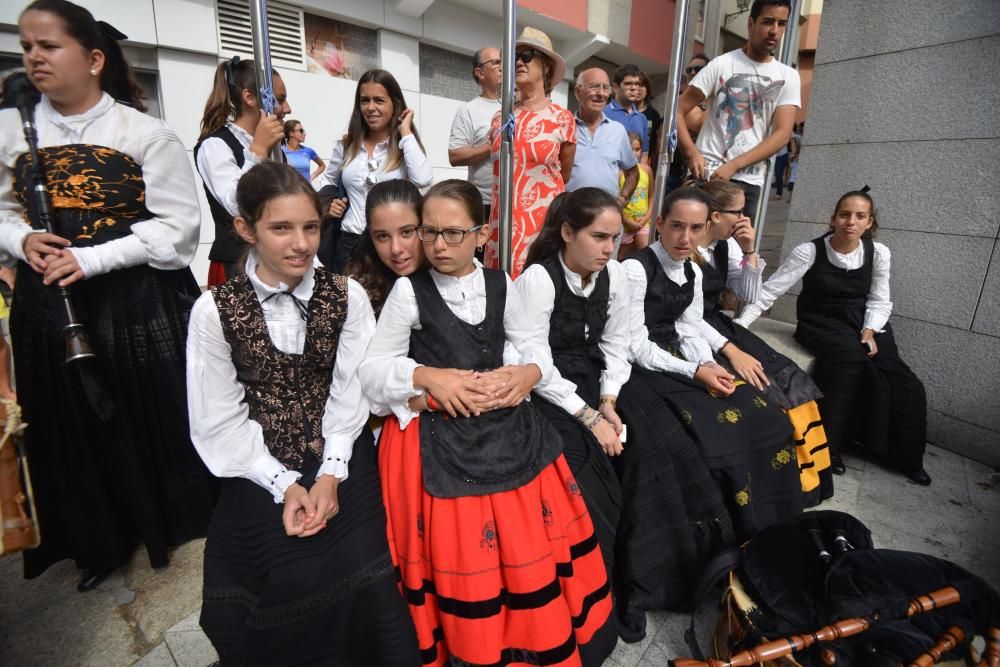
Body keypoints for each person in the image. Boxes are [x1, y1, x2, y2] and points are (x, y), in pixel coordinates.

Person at [0, 0, 215, 591]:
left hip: (135, 300)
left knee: (142, 409)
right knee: (67, 420)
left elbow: (177, 233)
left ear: (93, 59)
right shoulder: (9, 129)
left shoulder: (144, 133)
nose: (34, 57)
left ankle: (164, 520)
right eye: (27, 46)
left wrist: (90, 258)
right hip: (48, 300)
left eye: (49, 45)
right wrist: (21, 238)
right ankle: (95, 538)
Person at [361, 179, 616, 666]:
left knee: (529, 536)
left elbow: (531, 342)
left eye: (453, 233)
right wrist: (427, 376)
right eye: (429, 232)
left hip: (508, 424)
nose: (438, 245)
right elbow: (372, 372)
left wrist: (530, 371)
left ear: (481, 235)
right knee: (466, 548)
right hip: (440, 430)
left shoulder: (501, 284)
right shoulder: (408, 293)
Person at [186, 162, 420, 665]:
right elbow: (219, 419)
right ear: (245, 229)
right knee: (282, 568)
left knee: (364, 561)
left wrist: (332, 474)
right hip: (255, 459)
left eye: (311, 226)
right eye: (281, 228)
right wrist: (284, 484)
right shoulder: (214, 311)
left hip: (340, 443)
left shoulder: (346, 295)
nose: (301, 243)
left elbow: (349, 391)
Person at [518, 188, 733, 642]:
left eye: (614, 239)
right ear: (567, 232)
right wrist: (589, 417)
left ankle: (652, 580)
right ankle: (605, 589)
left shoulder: (616, 275)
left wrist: (610, 402)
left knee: (660, 449)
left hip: (600, 380)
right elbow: (533, 363)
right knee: (592, 474)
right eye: (597, 237)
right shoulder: (538, 279)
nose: (607, 249)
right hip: (550, 389)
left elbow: (617, 347)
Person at [623, 187, 803, 541]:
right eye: (676, 226)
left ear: (706, 228)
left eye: (695, 228)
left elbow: (688, 327)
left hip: (679, 357)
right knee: (713, 432)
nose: (684, 237)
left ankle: (768, 522)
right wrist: (695, 370)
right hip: (643, 364)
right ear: (659, 223)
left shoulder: (693, 270)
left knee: (766, 416)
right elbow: (633, 344)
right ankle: (725, 527)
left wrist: (709, 363)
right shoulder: (635, 268)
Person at [736, 189, 931, 486]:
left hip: (865, 322)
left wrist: (869, 330)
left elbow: (880, 300)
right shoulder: (810, 251)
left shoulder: (878, 253)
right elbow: (769, 292)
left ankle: (901, 455)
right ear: (833, 219)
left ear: (869, 222)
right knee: (848, 363)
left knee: (903, 380)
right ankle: (830, 449)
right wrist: (739, 327)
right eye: (844, 214)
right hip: (821, 322)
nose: (851, 222)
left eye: (859, 216)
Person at [695, 180, 832, 505]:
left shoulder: (724, 247)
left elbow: (751, 295)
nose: (744, 219)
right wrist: (732, 352)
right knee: (762, 391)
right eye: (738, 212)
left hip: (720, 325)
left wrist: (750, 251)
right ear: (714, 216)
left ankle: (808, 477)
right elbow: (683, 315)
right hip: (697, 333)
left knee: (791, 376)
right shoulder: (686, 250)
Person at [676, 0, 800, 224]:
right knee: (691, 249)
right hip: (707, 175)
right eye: (768, 22)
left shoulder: (788, 76)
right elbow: (678, 110)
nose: (774, 31)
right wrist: (692, 152)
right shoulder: (721, 64)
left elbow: (782, 134)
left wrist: (735, 165)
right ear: (751, 23)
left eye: (781, 24)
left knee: (736, 255)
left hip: (748, 181)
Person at [317, 69, 432, 274]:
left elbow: (423, 179)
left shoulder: (404, 146)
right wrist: (329, 203)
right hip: (348, 241)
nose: (370, 108)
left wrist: (405, 131)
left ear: (394, 104)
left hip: (390, 243)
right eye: (364, 101)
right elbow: (326, 181)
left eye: (379, 100)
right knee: (350, 304)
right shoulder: (346, 146)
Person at [484, 27, 575, 278]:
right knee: (499, 297)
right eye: (514, 58)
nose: (518, 63)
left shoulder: (562, 118)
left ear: (545, 66)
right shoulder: (501, 117)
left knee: (536, 295)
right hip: (500, 225)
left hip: (541, 225)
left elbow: (563, 176)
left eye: (526, 56)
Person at [195, 56, 291, 286]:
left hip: (276, 259)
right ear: (249, 97)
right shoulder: (215, 145)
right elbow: (235, 204)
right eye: (279, 100)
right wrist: (257, 150)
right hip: (236, 265)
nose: (287, 108)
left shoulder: (277, 148)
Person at [345, 179, 425, 315]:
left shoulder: (452, 278)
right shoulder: (357, 292)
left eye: (406, 232)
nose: (396, 249)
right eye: (383, 236)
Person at [565, 68, 638, 202]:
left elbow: (632, 172)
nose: (601, 93)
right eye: (594, 87)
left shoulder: (618, 130)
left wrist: (623, 199)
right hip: (571, 214)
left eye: (605, 88)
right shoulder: (563, 128)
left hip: (607, 216)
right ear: (577, 92)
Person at [447, 46, 502, 224]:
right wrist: (491, 147)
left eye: (504, 62)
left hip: (518, 201)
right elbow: (455, 156)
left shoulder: (520, 108)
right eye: (496, 63)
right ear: (479, 72)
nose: (502, 67)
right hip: (485, 203)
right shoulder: (469, 110)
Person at [666, 53, 711, 193]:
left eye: (697, 69)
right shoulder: (683, 101)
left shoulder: (711, 98)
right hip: (689, 171)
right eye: (689, 70)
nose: (692, 72)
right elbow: (697, 124)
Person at [605, 64, 649, 164]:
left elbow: (644, 154)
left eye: (637, 84)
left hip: (634, 177)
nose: (634, 88)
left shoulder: (642, 118)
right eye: (628, 84)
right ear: (616, 87)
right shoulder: (603, 113)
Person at [619, 132, 653, 257]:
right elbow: (615, 201)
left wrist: (645, 219)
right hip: (624, 226)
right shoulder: (619, 173)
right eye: (630, 149)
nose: (634, 153)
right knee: (621, 259)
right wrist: (626, 221)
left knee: (645, 256)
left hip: (643, 223)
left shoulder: (646, 170)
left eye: (637, 149)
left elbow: (651, 196)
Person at [281, 119, 324, 183]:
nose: (304, 134)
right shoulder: (281, 151)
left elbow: (322, 165)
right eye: (301, 131)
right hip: (288, 189)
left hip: (306, 190)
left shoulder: (308, 151)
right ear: (291, 133)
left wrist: (311, 177)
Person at [636, 70, 662, 172]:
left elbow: (655, 146)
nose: (637, 89)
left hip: (644, 164)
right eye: (635, 85)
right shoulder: (623, 112)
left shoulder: (654, 114)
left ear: (647, 90)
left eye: (641, 85)